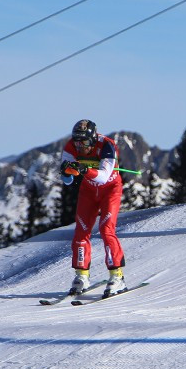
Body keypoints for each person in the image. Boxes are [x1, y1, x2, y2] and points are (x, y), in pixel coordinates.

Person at [60, 119, 126, 297]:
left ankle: (117, 276)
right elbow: (67, 181)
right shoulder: (70, 147)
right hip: (88, 191)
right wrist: (67, 173)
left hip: (110, 190)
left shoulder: (106, 145)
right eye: (77, 142)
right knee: (81, 232)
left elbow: (104, 177)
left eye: (85, 142)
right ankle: (81, 275)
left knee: (106, 230)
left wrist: (83, 169)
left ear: (94, 139)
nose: (81, 147)